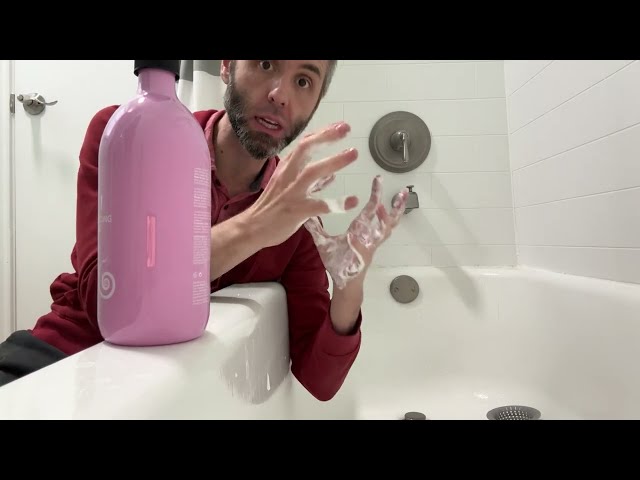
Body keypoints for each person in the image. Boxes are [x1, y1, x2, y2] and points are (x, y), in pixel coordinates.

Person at [0, 60, 407, 401]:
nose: (280, 94)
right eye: (266, 64)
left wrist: (348, 287)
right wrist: (255, 227)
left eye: (304, 81)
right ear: (227, 66)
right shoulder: (125, 133)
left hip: (184, 391)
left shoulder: (297, 220)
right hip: (66, 358)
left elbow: (319, 381)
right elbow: (103, 299)